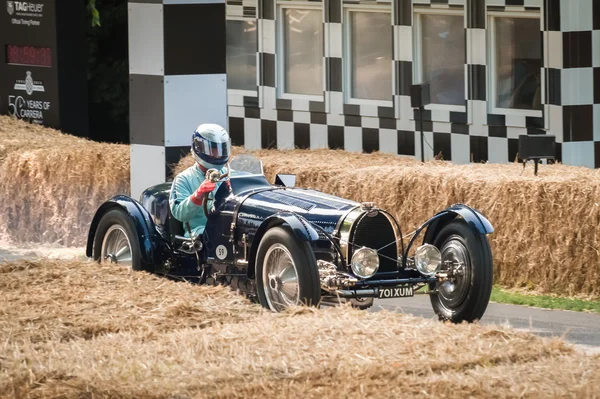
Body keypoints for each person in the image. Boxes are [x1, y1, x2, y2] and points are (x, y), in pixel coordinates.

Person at [169, 123, 231, 239]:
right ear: (199, 148)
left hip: (228, 228)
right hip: (199, 232)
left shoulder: (230, 174)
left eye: (219, 150)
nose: (217, 155)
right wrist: (198, 194)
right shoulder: (183, 179)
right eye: (212, 150)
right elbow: (179, 213)